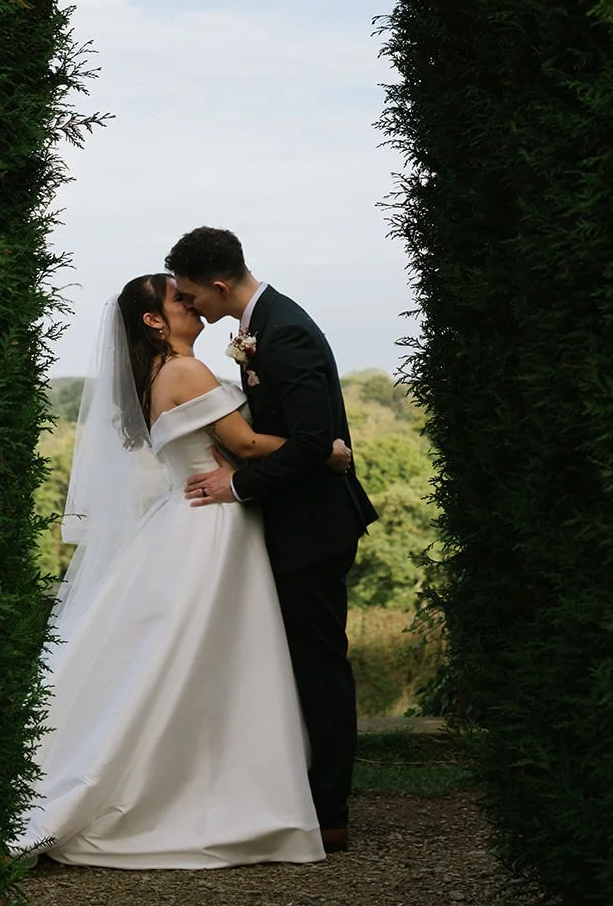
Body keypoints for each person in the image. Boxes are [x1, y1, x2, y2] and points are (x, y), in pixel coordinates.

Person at [11, 272, 353, 869]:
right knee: (210, 654)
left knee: (192, 659)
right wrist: (324, 449)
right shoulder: (186, 371)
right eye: (179, 298)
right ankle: (211, 788)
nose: (191, 303)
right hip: (213, 522)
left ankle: (204, 779)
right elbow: (243, 445)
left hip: (190, 513)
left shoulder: (156, 376)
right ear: (153, 321)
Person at [166, 228, 378, 853]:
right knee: (296, 666)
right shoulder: (265, 324)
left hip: (313, 528)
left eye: (192, 294)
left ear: (220, 286)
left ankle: (331, 811)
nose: (192, 305)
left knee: (319, 670)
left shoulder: (283, 331)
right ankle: (300, 793)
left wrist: (239, 486)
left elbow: (314, 442)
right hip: (294, 521)